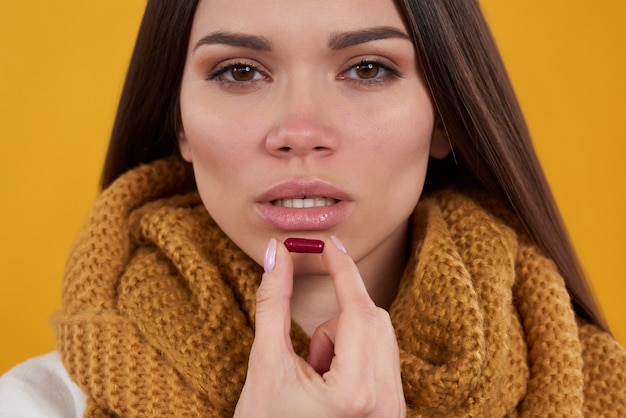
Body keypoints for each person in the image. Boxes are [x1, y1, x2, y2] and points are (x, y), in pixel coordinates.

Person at [1, 0, 625, 416]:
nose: (300, 130)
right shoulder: (36, 406)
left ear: (446, 116)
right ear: (180, 124)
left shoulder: (600, 393)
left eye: (369, 68)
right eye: (241, 71)